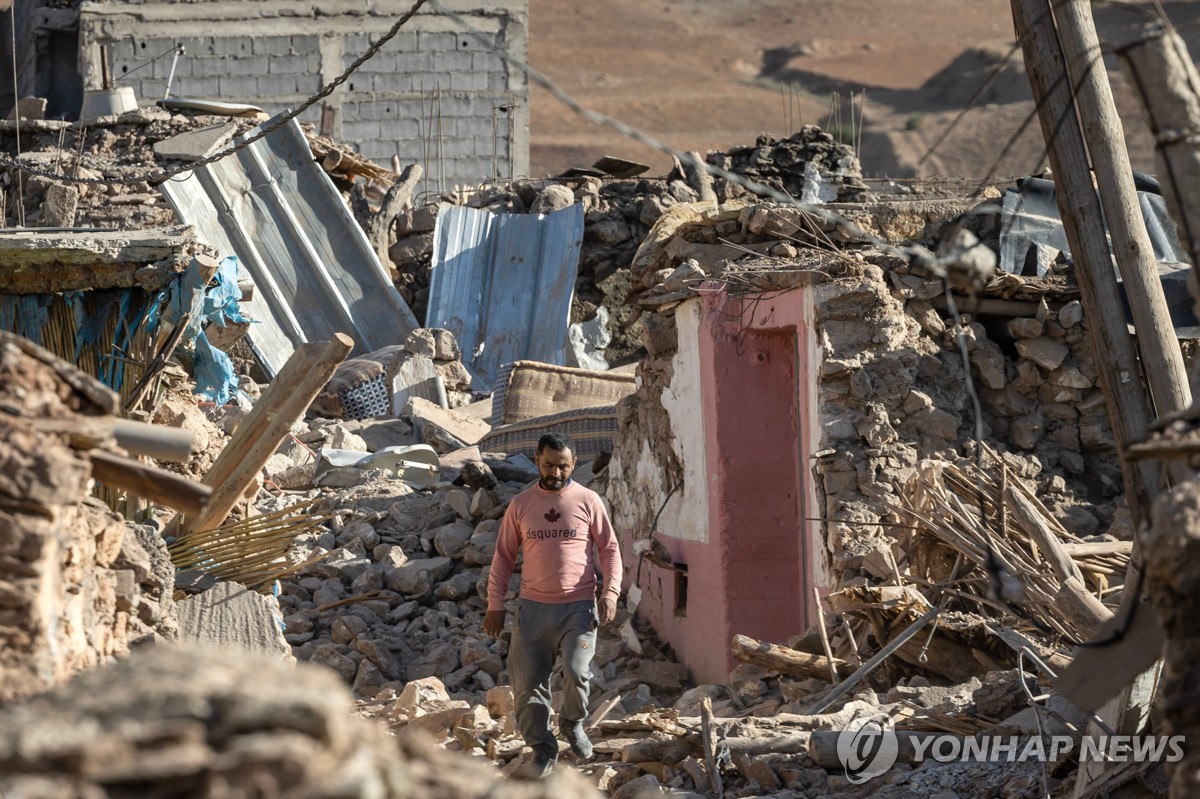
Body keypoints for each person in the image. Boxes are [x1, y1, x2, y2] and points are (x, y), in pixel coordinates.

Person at [484, 431, 622, 779]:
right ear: (537, 461)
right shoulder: (520, 505)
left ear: (574, 463)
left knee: (577, 672)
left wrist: (610, 592)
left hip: (578, 607)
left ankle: (573, 722)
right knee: (527, 687)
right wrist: (494, 603)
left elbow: (609, 549)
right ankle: (543, 747)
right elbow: (503, 557)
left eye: (563, 466)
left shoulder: (589, 500)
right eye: (549, 465)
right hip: (532, 610)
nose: (556, 473)